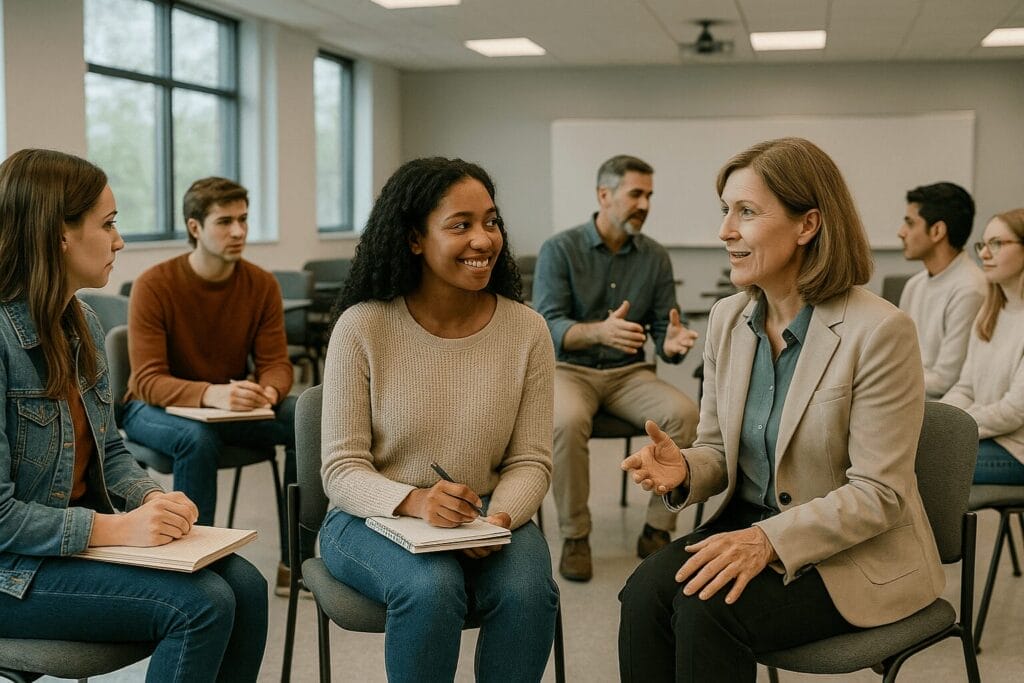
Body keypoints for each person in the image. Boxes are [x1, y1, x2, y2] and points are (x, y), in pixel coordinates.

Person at [618, 138, 944, 682]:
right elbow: (719, 449)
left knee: (707, 612)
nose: (725, 230)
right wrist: (687, 469)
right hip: (753, 526)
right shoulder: (728, 318)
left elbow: (880, 494)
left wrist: (769, 539)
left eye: (745, 212)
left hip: (853, 556)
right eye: (725, 211)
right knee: (643, 596)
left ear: (808, 224)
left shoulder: (880, 331)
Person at [0, 149, 266, 680]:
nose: (120, 241)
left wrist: (151, 498)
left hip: (65, 545)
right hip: (12, 568)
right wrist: (121, 530)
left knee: (247, 586)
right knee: (200, 604)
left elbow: (112, 448)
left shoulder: (82, 324)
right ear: (59, 234)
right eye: (109, 224)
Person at [319, 157, 559, 682]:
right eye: (461, 225)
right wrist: (416, 502)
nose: (484, 239)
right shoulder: (362, 327)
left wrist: (497, 521)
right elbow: (341, 472)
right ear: (414, 239)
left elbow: (531, 462)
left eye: (491, 222)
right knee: (430, 588)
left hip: (488, 513)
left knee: (528, 591)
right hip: (368, 518)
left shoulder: (527, 331)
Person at [121, 176, 297, 594]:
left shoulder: (261, 284)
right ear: (195, 227)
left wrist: (268, 393)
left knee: (303, 417)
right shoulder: (154, 284)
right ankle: (196, 568)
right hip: (152, 409)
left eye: (243, 220)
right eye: (224, 221)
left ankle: (297, 560)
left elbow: (276, 365)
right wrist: (210, 393)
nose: (238, 232)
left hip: (228, 408)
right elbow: (146, 379)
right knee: (197, 439)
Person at [533, 154, 700, 582]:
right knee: (565, 421)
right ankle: (575, 535)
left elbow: (666, 326)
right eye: (636, 194)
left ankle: (657, 529)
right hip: (570, 369)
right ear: (604, 195)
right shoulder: (560, 249)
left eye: (649, 195)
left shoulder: (655, 257)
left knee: (684, 414)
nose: (645, 204)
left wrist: (672, 343)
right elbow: (548, 325)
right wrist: (598, 333)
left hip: (630, 374)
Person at [941, 209, 1024, 483]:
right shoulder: (990, 313)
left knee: (925, 467)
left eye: (997, 244)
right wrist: (939, 420)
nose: (984, 254)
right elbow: (966, 388)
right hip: (991, 437)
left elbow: (1014, 412)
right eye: (983, 245)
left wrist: (957, 428)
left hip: (1017, 451)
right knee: (911, 455)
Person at [898, 182, 986, 399]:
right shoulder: (914, 285)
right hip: (906, 396)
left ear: (937, 231)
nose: (901, 233)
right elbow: (896, 355)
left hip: (938, 409)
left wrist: (887, 379)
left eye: (910, 223)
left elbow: (946, 380)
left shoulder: (970, 289)